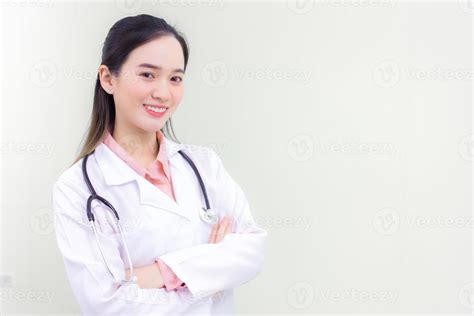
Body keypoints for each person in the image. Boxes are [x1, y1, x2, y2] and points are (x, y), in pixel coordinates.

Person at [52, 14, 267, 315]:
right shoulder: (77, 189)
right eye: (147, 75)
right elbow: (106, 304)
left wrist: (160, 273)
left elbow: (254, 250)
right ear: (108, 78)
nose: (164, 93)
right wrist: (210, 275)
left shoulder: (204, 165)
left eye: (175, 78)